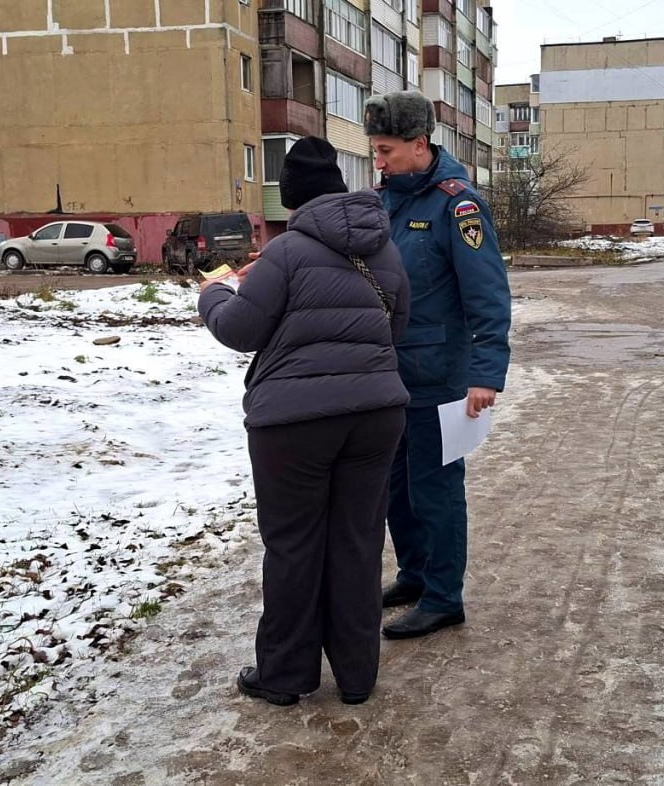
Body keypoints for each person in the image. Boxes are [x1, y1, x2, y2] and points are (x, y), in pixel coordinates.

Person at [198, 137, 411, 706]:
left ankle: (286, 675)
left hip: (293, 424)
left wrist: (213, 294)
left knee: (294, 546)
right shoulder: (384, 253)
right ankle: (358, 676)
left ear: (291, 200)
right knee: (358, 542)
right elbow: (392, 333)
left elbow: (241, 331)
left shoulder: (285, 253)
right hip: (376, 416)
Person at [363, 90, 512, 639]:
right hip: (389, 374)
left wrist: (485, 374)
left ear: (419, 145)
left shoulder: (458, 205)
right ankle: (416, 575)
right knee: (396, 488)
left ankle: (445, 596)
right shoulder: (385, 200)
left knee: (436, 488)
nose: (378, 161)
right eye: (375, 151)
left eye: (386, 150)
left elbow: (488, 295)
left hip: (441, 378)